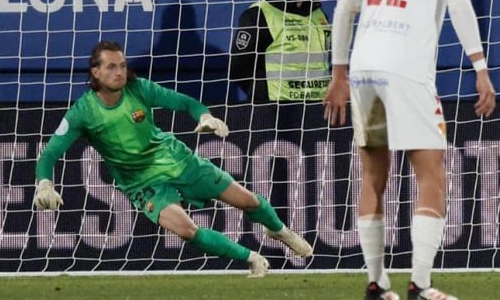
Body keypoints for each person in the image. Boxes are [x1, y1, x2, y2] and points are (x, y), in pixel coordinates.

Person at [324, 0, 496, 300]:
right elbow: (459, 3)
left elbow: (346, 6)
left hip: (363, 68)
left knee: (372, 174)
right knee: (431, 174)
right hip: (406, 69)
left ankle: (377, 281)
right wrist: (480, 65)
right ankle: (419, 282)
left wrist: (339, 73)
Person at [33, 40, 313, 277]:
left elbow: (185, 102)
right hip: (141, 183)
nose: (119, 72)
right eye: (111, 67)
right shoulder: (83, 112)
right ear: (95, 72)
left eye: (122, 65)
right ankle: (252, 258)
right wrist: (44, 183)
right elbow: (50, 154)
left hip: (177, 160)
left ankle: (280, 231)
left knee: (248, 201)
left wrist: (205, 115)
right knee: (187, 230)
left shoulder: (139, 88)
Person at [229, 0, 331, 104]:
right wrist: (261, 92)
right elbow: (238, 66)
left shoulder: (318, 13)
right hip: (276, 109)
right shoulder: (259, 14)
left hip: (319, 104)